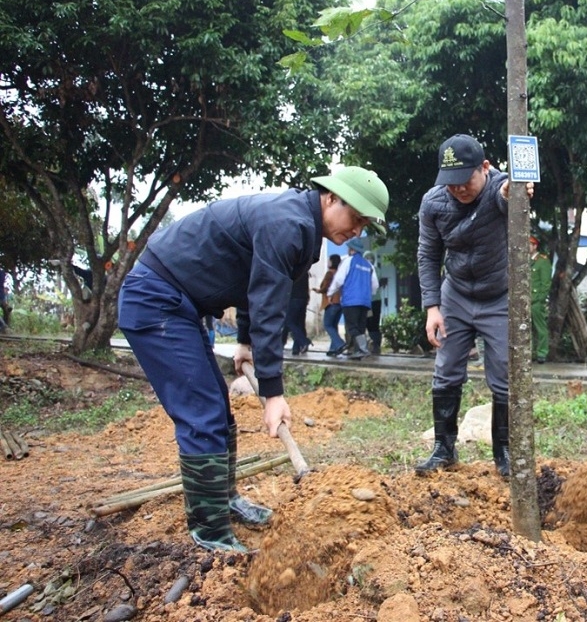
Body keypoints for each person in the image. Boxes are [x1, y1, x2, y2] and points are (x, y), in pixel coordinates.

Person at [117, 166, 388, 551]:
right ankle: (209, 531)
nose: (357, 231)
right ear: (330, 198)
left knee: (217, 408)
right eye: (356, 218)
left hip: (179, 304)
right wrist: (274, 393)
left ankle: (222, 500)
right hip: (156, 299)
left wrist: (244, 342)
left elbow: (253, 285)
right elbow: (268, 307)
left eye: (365, 224)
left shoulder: (302, 229)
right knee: (202, 412)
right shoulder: (288, 223)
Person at [415, 133, 531, 478]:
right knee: (446, 370)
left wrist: (515, 195)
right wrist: (432, 307)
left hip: (498, 297)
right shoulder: (433, 203)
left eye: (465, 181)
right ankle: (444, 448)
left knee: (504, 376)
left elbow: (506, 197)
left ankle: (505, 452)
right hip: (456, 295)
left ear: (484, 167)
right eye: (450, 184)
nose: (458, 190)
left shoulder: (499, 190)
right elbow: (428, 254)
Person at [328, 237, 378, 359]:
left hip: (351, 300)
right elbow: (375, 285)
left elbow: (338, 280)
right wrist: (368, 294)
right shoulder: (369, 265)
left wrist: (330, 293)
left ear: (351, 250)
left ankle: (363, 349)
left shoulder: (348, 261)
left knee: (352, 327)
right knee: (360, 327)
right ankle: (358, 351)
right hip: (365, 301)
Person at [316, 254, 347, 356]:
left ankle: (339, 343)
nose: (328, 262)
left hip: (331, 302)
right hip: (340, 303)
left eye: (329, 260)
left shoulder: (329, 274)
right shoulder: (341, 273)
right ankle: (334, 349)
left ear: (332, 262)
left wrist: (318, 290)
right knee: (334, 326)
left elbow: (325, 287)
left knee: (328, 325)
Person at [529, 236, 553, 364]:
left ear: (535, 246)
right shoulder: (527, 261)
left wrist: (539, 299)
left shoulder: (543, 261)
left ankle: (542, 353)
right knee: (525, 328)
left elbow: (546, 284)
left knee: (540, 328)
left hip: (536, 301)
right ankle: (529, 353)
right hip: (525, 301)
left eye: (529, 245)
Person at [284, 271, 312, 355]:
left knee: (288, 321)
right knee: (299, 324)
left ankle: (303, 341)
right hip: (303, 298)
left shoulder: (291, 270)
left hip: (293, 298)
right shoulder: (304, 271)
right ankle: (296, 348)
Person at [364, 251, 383, 355]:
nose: (369, 259)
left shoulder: (373, 270)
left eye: (370, 257)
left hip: (371, 301)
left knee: (371, 323)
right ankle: (374, 345)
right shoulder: (376, 270)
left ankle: (375, 345)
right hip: (373, 301)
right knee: (372, 323)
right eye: (367, 257)